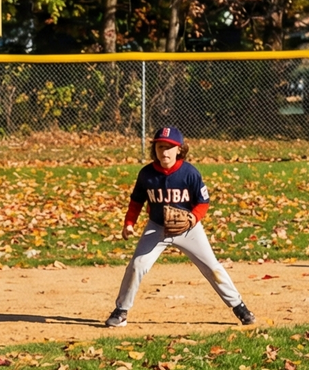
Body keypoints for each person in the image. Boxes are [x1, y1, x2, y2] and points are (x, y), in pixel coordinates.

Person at [105, 126, 256, 328]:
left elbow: (203, 202)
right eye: (160, 147)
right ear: (155, 150)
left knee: (212, 268)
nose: (164, 152)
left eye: (170, 147)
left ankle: (239, 306)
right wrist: (129, 223)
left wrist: (193, 219)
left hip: (189, 229)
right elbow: (136, 201)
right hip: (157, 227)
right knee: (137, 265)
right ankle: (121, 310)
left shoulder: (189, 173)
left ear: (179, 150)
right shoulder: (147, 174)